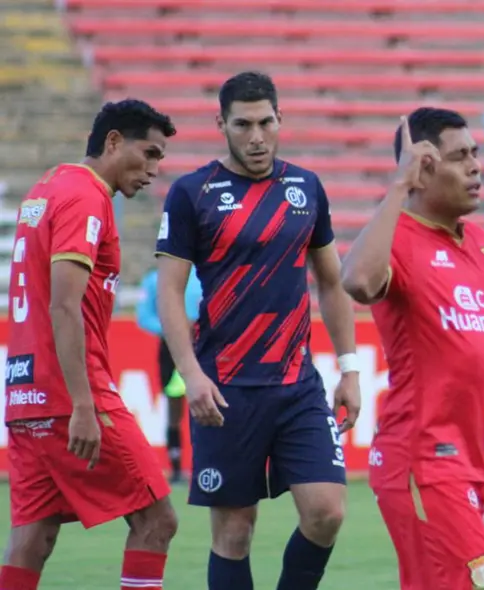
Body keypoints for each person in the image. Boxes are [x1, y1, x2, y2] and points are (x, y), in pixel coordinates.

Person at [341, 107, 484, 590]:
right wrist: (398, 188)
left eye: (476, 154)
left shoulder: (482, 246)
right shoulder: (399, 240)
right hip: (423, 459)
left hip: (465, 461)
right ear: (423, 168)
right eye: (459, 157)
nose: (475, 166)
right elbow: (358, 281)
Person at [154, 71, 361, 590]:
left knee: (327, 512)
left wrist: (350, 368)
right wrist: (192, 375)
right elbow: (169, 294)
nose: (256, 136)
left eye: (266, 122)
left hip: (297, 386)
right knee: (234, 533)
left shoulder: (306, 187)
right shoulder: (191, 194)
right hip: (225, 390)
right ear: (221, 123)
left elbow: (332, 284)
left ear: (280, 120)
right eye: (243, 124)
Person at [0, 99, 178, 590]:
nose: (153, 170)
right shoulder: (85, 196)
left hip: (25, 394)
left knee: (32, 539)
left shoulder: (48, 186)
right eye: (149, 153)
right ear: (114, 141)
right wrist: (82, 403)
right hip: (70, 396)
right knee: (157, 520)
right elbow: (63, 306)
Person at [136, 265, 202, 483]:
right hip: (172, 350)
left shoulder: (204, 272)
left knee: (210, 403)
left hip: (204, 346)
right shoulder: (154, 279)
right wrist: (174, 328)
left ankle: (207, 466)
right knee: (175, 406)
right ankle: (176, 467)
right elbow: (144, 316)